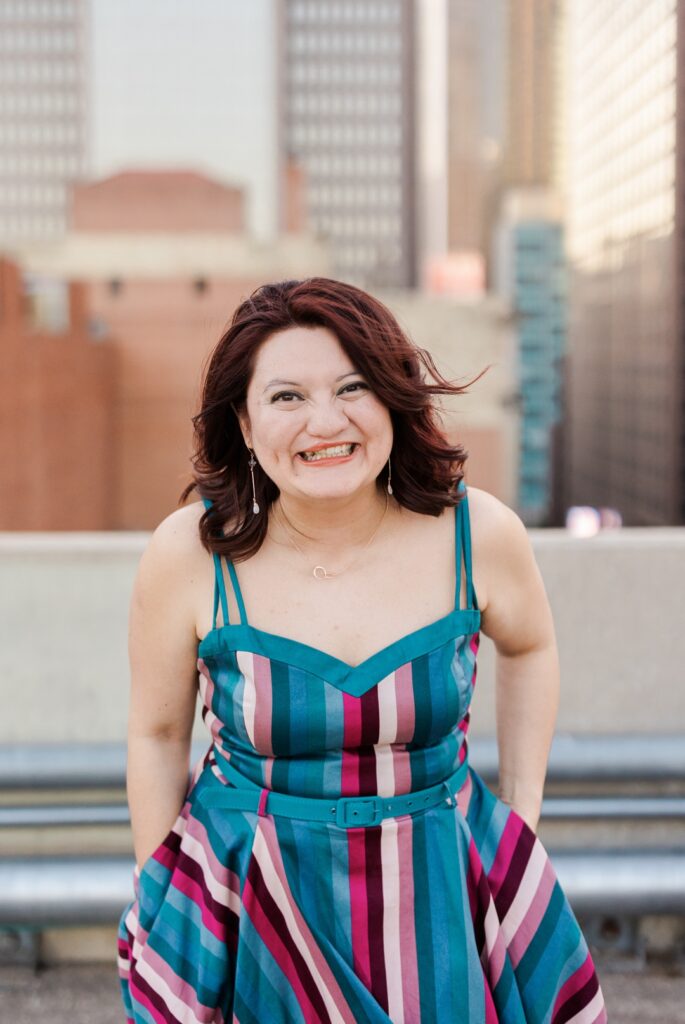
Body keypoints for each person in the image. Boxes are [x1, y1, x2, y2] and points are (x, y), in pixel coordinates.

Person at [117, 277, 606, 1023]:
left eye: (352, 387)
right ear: (243, 426)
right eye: (286, 398)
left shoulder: (476, 533)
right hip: (252, 897)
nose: (325, 421)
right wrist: (161, 883)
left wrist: (519, 816)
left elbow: (531, 645)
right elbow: (155, 733)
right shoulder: (190, 554)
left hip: (437, 881)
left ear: (391, 401)